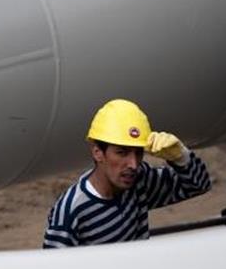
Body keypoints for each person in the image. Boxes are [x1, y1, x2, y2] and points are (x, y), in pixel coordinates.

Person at [43, 99, 211, 248]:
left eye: (138, 153)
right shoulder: (70, 211)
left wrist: (181, 157)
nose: (133, 164)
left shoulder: (139, 180)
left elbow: (199, 185)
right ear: (97, 153)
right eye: (122, 153)